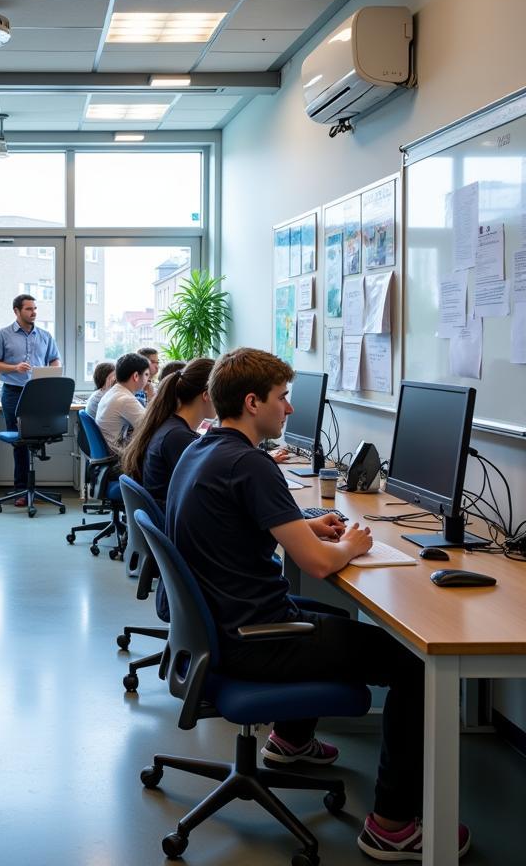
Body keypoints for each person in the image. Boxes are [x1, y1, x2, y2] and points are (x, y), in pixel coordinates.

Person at [165, 348, 469, 861]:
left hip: (224, 625)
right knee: (415, 664)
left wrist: (305, 526)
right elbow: (322, 565)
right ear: (252, 401)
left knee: (333, 616)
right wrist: (352, 544)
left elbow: (236, 523)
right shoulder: (251, 464)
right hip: (255, 639)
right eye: (283, 399)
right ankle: (392, 825)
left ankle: (290, 741)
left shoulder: (203, 450)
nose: (289, 410)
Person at [0, 293, 61, 505]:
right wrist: (14, 368)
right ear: (17, 311)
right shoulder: (3, 335)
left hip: (39, 393)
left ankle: (32, 490)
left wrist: (51, 371)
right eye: (29, 309)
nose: (33, 312)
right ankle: (21, 491)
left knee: (37, 438)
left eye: (35, 308)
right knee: (19, 441)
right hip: (13, 392)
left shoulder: (45, 335)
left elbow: (55, 358)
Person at [121, 358, 214, 509]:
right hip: (172, 520)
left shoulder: (169, 425)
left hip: (167, 514)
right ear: (206, 395)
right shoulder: (178, 437)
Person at [95, 351, 150, 454]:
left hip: (112, 449)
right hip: (118, 458)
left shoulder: (114, 391)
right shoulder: (125, 399)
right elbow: (150, 427)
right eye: (146, 374)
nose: (148, 380)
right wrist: (152, 397)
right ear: (136, 376)